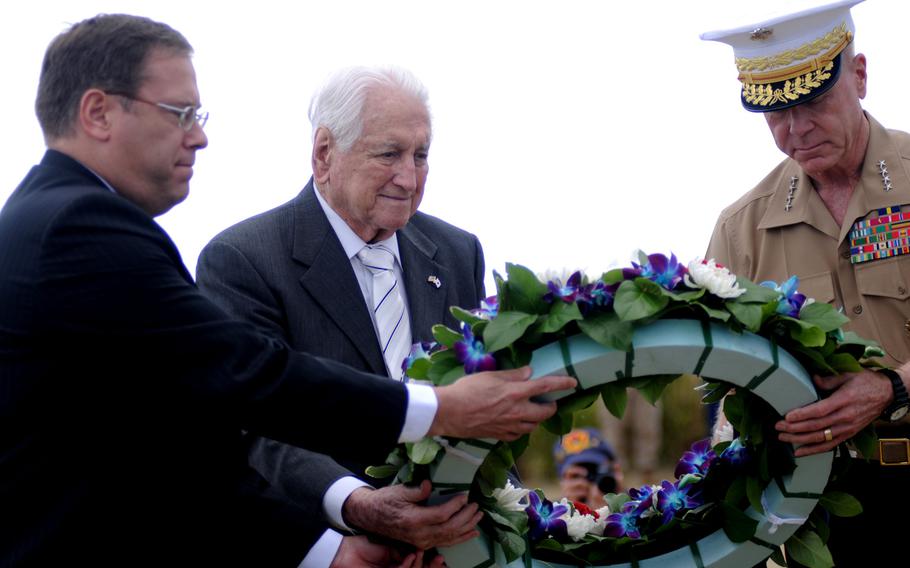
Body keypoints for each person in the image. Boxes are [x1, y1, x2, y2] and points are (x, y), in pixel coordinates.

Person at [0, 14, 577, 567]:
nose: (199, 137)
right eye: (181, 113)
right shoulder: (82, 230)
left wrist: (328, 553)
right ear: (98, 112)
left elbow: (176, 450)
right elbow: (251, 383)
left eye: (420, 154)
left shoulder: (58, 220)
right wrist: (442, 411)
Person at [196, 65, 489, 563]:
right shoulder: (243, 259)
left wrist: (479, 524)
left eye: (421, 155)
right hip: (332, 549)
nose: (410, 177)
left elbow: (486, 406)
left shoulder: (458, 252)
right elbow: (255, 425)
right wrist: (356, 505)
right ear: (324, 153)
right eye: (389, 154)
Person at [702, 1, 910, 564]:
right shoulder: (741, 228)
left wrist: (894, 386)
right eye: (775, 112)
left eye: (814, 100)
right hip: (828, 510)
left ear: (860, 75)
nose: (796, 130)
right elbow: (721, 390)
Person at [553, 428, 622, 506]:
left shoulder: (635, 507)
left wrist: (621, 507)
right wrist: (568, 510)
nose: (590, 482)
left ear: (616, 470)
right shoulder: (551, 514)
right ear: (563, 481)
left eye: (596, 470)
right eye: (577, 476)